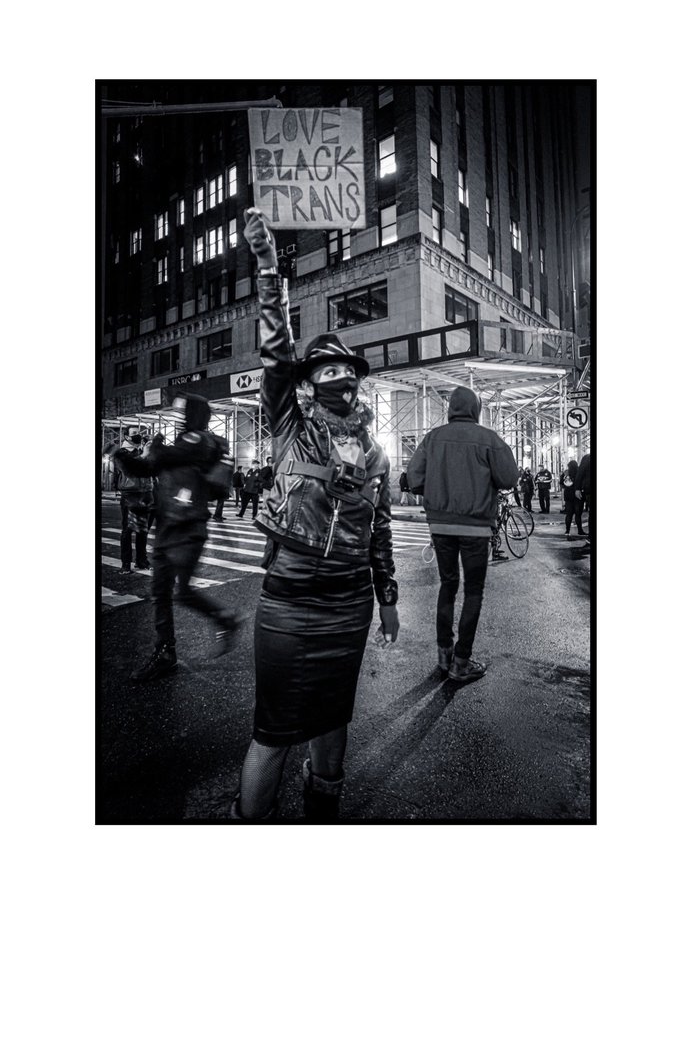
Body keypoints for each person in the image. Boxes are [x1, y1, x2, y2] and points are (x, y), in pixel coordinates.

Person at [232, 209, 399, 822]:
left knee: (334, 717)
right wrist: (270, 270)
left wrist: (387, 594)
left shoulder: (377, 449)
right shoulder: (288, 428)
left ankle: (323, 812)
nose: (337, 380)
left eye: (345, 373)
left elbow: (380, 524)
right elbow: (276, 355)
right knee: (274, 731)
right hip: (290, 600)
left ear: (356, 383)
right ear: (310, 383)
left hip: (349, 602)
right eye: (325, 372)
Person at [114, 394, 245, 683]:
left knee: (182, 592)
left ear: (195, 414)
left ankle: (225, 618)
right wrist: (121, 454)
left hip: (188, 529)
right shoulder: (177, 446)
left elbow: (167, 457)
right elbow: (145, 468)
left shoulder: (203, 441)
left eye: (182, 412)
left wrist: (153, 448)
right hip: (166, 528)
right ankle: (165, 653)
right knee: (160, 593)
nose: (177, 417)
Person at [407, 386, 518, 684]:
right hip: (475, 528)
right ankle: (461, 661)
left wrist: (436, 488)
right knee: (473, 592)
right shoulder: (489, 439)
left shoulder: (432, 438)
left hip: (440, 526)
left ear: (450, 408)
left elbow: (414, 479)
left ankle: (443, 655)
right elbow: (508, 478)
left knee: (447, 586)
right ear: (476, 409)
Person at [112, 433, 153, 572]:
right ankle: (125, 564)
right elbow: (128, 468)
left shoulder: (142, 451)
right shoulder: (121, 453)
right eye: (134, 433)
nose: (138, 436)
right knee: (128, 530)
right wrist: (144, 455)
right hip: (130, 494)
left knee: (142, 530)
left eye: (140, 433)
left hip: (145, 493)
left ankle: (141, 560)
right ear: (126, 436)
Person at [562, 459, 585, 539]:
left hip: (568, 496)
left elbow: (561, 483)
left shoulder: (566, 473)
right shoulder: (579, 473)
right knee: (578, 514)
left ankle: (567, 531)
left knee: (569, 514)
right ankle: (580, 530)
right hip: (577, 495)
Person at [574, 451, 591, 553]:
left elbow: (580, 473)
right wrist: (578, 488)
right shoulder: (587, 458)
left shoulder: (587, 458)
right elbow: (580, 473)